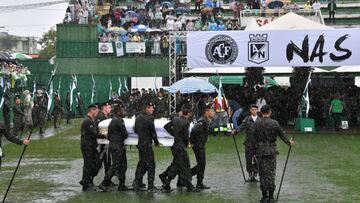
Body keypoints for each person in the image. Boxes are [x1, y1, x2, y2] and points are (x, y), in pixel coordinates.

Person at [253, 105, 295, 202]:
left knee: (262, 173)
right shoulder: (274, 123)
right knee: (271, 173)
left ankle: (264, 196)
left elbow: (253, 139)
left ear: (261, 112)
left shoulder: (256, 123)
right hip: (271, 151)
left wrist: (253, 152)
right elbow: (282, 135)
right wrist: (289, 142)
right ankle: (271, 196)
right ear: (270, 112)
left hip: (260, 151)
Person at [159, 108, 200, 192]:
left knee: (177, 165)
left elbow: (166, 127)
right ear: (188, 113)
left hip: (175, 145)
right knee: (185, 166)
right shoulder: (186, 122)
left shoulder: (175, 119)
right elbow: (185, 136)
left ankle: (166, 182)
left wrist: (174, 134)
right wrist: (186, 143)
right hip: (181, 147)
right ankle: (188, 185)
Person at [99, 104, 129, 192]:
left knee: (122, 165)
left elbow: (108, 135)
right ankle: (104, 183)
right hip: (118, 146)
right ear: (118, 111)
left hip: (115, 145)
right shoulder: (119, 121)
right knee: (116, 165)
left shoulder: (113, 120)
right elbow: (125, 134)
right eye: (122, 110)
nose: (123, 112)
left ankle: (122, 185)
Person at [132, 102, 161, 192]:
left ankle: (137, 182)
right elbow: (153, 132)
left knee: (142, 163)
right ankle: (150, 186)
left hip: (140, 143)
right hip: (147, 144)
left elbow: (136, 130)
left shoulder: (138, 117)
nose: (152, 109)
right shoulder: (150, 118)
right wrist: (156, 142)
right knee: (151, 165)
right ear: (147, 108)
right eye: (151, 108)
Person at [190, 104, 215, 189]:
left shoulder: (207, 120)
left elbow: (210, 131)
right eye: (211, 111)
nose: (213, 113)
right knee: (201, 164)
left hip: (201, 145)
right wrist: (192, 142)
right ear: (206, 112)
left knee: (201, 164)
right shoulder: (202, 121)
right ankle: (187, 175)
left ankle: (199, 183)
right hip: (198, 145)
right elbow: (194, 130)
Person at [233, 104, 259, 182]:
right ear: (250, 110)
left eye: (255, 109)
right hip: (249, 143)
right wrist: (235, 131)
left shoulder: (260, 120)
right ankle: (250, 174)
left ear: (257, 110)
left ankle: (255, 174)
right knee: (248, 159)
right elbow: (241, 127)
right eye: (252, 109)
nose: (254, 111)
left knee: (257, 160)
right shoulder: (247, 119)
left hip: (258, 144)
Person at [80, 104, 102, 191]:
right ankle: (86, 184)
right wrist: (105, 136)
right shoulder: (87, 121)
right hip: (87, 146)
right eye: (96, 111)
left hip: (91, 145)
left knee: (94, 163)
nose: (97, 112)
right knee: (88, 165)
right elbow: (94, 134)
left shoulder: (90, 120)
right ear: (91, 110)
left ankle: (88, 181)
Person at [95, 101, 113, 182]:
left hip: (106, 142)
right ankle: (89, 180)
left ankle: (107, 179)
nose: (110, 108)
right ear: (104, 108)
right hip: (101, 143)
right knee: (99, 162)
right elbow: (99, 130)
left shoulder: (106, 116)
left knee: (107, 162)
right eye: (109, 107)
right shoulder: (101, 117)